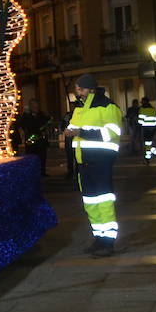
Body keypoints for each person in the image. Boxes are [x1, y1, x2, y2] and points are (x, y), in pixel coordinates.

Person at [66, 74, 123, 257]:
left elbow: (112, 133)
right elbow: (75, 130)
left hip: (101, 162)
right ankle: (99, 238)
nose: (78, 91)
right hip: (84, 163)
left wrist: (81, 131)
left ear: (91, 89)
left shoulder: (108, 107)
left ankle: (108, 243)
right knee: (91, 203)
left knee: (104, 201)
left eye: (80, 88)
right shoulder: (79, 109)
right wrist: (69, 130)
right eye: (77, 88)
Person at [139, 98, 156, 164]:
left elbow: (140, 121)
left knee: (147, 144)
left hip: (146, 128)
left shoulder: (142, 109)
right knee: (148, 143)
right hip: (153, 128)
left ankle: (155, 153)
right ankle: (148, 157)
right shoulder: (153, 109)